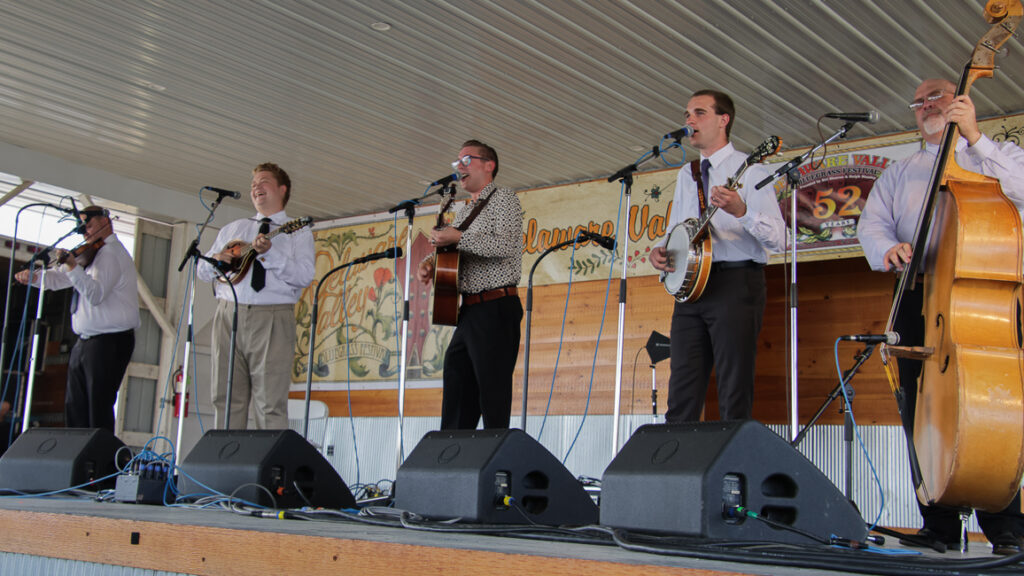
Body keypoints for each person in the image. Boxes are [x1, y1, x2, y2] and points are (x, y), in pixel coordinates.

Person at [857, 78, 1024, 555]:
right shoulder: (899, 171)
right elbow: (873, 225)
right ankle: (939, 522)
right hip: (916, 292)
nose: (927, 106)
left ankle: (1005, 525)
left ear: (961, 101)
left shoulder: (992, 155)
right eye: (919, 101)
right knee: (920, 407)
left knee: (994, 403)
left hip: (983, 293)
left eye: (938, 97)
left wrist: (974, 138)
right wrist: (889, 248)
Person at [649, 90, 786, 424]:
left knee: (733, 384)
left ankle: (733, 470)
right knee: (681, 385)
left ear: (724, 120)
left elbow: (780, 239)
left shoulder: (751, 170)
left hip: (736, 283)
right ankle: (675, 467)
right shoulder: (687, 174)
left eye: (699, 113)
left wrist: (742, 211)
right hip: (691, 287)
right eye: (686, 115)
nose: (689, 121)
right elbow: (678, 228)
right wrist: (661, 249)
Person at [197, 163, 314, 429]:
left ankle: (268, 468)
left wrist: (270, 253)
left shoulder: (298, 232)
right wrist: (217, 259)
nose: (255, 188)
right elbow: (203, 270)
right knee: (225, 397)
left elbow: (304, 276)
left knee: (269, 401)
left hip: (272, 316)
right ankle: (226, 463)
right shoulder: (233, 230)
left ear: (282, 189)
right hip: (229, 313)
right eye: (252, 185)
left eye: (263, 182)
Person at [417, 140, 523, 430]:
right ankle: (452, 454)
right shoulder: (464, 210)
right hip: (470, 311)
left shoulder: (504, 198)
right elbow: (451, 248)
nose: (459, 167)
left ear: (489, 165)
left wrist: (457, 238)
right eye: (457, 162)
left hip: (496, 306)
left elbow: (505, 245)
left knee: (492, 391)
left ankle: (493, 460)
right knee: (457, 380)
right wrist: (428, 264)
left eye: (467, 159)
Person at [14, 206, 139, 433]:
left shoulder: (111, 254)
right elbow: (61, 279)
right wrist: (34, 278)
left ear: (105, 223)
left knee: (97, 407)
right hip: (86, 341)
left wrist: (72, 267)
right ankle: (78, 460)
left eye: (89, 226)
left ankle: (99, 465)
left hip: (109, 341)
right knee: (76, 407)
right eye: (82, 228)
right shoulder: (93, 253)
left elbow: (95, 294)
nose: (85, 233)